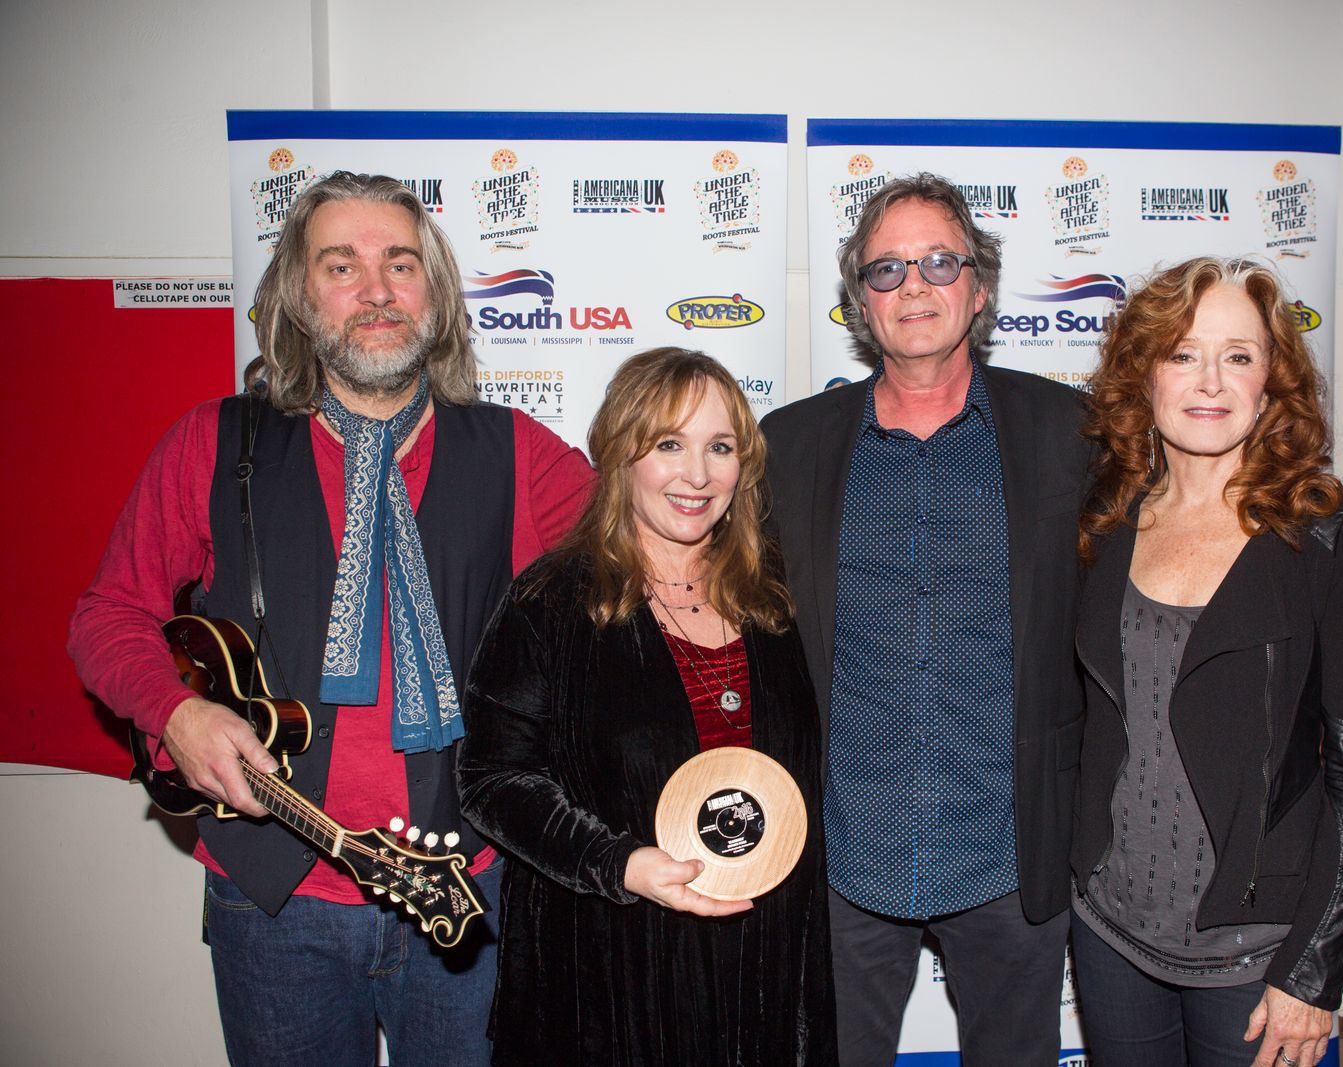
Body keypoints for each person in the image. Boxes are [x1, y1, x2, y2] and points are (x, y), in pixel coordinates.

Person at [68, 171, 593, 1066]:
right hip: (273, 901)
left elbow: (642, 566)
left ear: (435, 292)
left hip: (469, 895)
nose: (377, 290)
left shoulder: (518, 453)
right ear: (298, 296)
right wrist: (176, 713)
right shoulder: (213, 441)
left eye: (401, 264)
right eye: (341, 266)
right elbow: (108, 614)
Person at [761, 174, 1093, 1067]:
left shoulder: (1070, 433)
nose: (914, 284)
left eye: (940, 262)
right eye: (888, 268)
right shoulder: (787, 447)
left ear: (979, 288)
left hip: (1011, 850)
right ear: (861, 302)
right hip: (842, 854)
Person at [457, 348, 835, 1067]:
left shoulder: (778, 600)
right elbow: (491, 778)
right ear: (621, 454)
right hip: (614, 960)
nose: (697, 474)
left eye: (719, 447)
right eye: (668, 444)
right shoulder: (551, 602)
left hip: (765, 958)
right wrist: (619, 864)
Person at [1070, 256, 1343, 1067]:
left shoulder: (1331, 531)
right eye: (1183, 353)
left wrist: (1313, 970)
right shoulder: (1106, 517)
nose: (1210, 380)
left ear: (1271, 380)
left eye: (1238, 355)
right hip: (1110, 929)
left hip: (1256, 952)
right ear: (1144, 372)